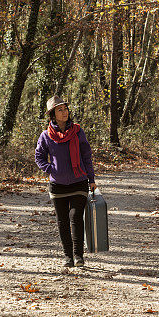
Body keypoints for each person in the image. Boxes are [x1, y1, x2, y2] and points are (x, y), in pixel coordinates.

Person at [35, 95, 97, 267]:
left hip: (79, 181)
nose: (64, 112)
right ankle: (67, 257)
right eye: (59, 110)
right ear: (53, 115)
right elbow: (39, 157)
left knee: (76, 216)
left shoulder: (77, 131)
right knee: (62, 220)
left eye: (65, 109)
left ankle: (78, 256)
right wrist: (51, 169)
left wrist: (91, 179)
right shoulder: (46, 136)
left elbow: (86, 156)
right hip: (57, 184)